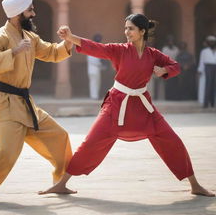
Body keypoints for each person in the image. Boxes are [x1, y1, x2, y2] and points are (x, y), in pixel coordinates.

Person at [39, 14, 215, 197]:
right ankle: (62, 184)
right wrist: (70, 37)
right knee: (90, 143)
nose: (126, 32)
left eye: (130, 28)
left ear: (142, 31)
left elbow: (175, 66)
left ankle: (194, 185)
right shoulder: (119, 50)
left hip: (144, 107)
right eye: (125, 28)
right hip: (116, 105)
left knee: (173, 142)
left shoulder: (153, 54)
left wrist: (164, 70)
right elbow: (97, 47)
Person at [0, 0, 74, 202]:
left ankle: (60, 182)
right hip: (6, 103)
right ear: (17, 14)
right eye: (29, 10)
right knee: (6, 153)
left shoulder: (30, 37)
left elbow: (50, 52)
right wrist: (12, 52)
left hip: (26, 104)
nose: (33, 13)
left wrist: (67, 42)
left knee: (59, 136)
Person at [197, 35, 216, 107]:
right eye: (210, 42)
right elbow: (201, 61)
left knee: (214, 85)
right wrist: (200, 70)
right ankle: (205, 103)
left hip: (215, 67)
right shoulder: (204, 51)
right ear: (208, 43)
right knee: (207, 85)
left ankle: (212, 103)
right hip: (208, 67)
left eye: (213, 42)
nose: (212, 43)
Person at [162, 35, 179, 100]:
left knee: (174, 83)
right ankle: (168, 97)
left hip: (174, 67)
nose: (171, 42)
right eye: (169, 41)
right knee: (168, 83)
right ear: (167, 42)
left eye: (172, 41)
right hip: (167, 68)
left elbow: (177, 58)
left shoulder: (176, 49)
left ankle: (174, 97)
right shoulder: (165, 49)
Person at [87, 34, 104, 99]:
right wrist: (100, 65)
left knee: (96, 83)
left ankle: (95, 96)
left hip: (95, 69)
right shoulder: (92, 49)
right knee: (94, 83)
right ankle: (94, 96)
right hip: (94, 69)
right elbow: (94, 61)